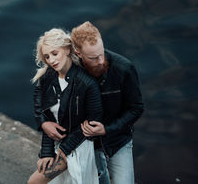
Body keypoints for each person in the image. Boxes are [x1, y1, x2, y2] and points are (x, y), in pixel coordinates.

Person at [38, 21, 144, 184]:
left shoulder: (124, 68)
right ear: (78, 53)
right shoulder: (68, 67)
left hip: (117, 139)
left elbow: (136, 108)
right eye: (93, 58)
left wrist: (107, 130)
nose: (101, 61)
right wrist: (43, 122)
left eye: (102, 53)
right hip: (86, 144)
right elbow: (43, 95)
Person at [28, 28, 103, 184]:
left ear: (68, 49)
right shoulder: (48, 77)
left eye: (55, 54)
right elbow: (46, 115)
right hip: (57, 143)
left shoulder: (87, 83)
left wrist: (65, 148)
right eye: (47, 57)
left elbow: (93, 121)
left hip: (78, 144)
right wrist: (47, 152)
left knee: (34, 182)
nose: (51, 60)